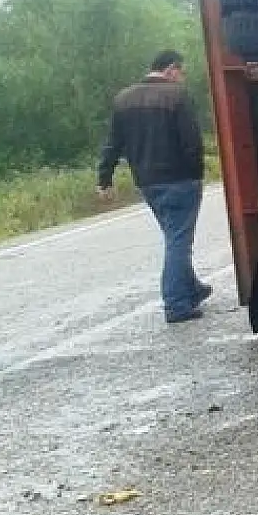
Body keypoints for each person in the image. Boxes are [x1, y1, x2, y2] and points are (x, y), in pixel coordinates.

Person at [97, 50, 212, 323]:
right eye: (181, 71)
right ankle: (176, 304)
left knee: (174, 236)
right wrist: (196, 174)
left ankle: (191, 288)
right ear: (171, 69)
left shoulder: (123, 98)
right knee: (179, 241)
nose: (182, 77)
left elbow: (113, 143)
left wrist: (104, 179)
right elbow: (192, 141)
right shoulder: (176, 96)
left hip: (148, 183)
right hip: (180, 180)